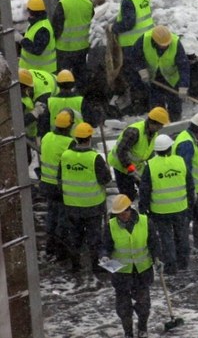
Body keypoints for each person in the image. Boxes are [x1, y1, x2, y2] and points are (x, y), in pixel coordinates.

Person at [100, 194, 159, 338]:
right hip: (121, 273)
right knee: (123, 307)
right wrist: (104, 255)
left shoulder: (145, 222)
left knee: (143, 305)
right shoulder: (111, 226)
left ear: (130, 209)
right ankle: (128, 333)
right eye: (118, 213)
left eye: (124, 212)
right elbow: (104, 246)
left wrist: (157, 259)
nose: (122, 216)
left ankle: (142, 328)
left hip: (142, 271)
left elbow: (154, 243)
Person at [59, 122, 111, 274]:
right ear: (89, 138)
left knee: (75, 237)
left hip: (72, 206)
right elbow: (106, 179)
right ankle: (96, 266)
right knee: (94, 238)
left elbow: (59, 179)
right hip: (93, 206)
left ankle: (75, 266)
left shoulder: (66, 155)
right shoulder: (94, 158)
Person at [140, 134, 193, 275]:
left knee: (166, 238)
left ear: (156, 150)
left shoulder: (150, 166)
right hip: (180, 207)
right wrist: (190, 203)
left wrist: (143, 208)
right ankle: (183, 262)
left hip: (160, 210)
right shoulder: (180, 162)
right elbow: (190, 185)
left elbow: (144, 190)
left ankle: (171, 266)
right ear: (170, 147)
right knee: (182, 235)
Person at [110, 0, 155, 112]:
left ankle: (140, 106)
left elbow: (129, 23)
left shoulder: (128, 0)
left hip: (132, 45)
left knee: (135, 77)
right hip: (146, 40)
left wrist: (114, 27)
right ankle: (150, 103)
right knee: (145, 74)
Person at [108, 107, 169, 202]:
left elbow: (149, 152)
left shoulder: (153, 133)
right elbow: (121, 151)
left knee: (145, 187)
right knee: (127, 195)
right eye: (160, 126)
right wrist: (130, 168)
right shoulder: (134, 132)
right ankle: (128, 207)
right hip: (121, 165)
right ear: (153, 123)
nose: (161, 128)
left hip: (137, 166)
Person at [38, 110, 75, 262]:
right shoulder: (69, 143)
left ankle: (50, 247)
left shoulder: (47, 136)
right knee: (63, 220)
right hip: (60, 187)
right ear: (69, 126)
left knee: (52, 216)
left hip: (46, 184)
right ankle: (61, 253)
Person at [174, 112, 198, 251]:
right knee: (186, 219)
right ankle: (182, 247)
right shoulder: (186, 143)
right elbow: (185, 170)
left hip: (197, 188)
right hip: (189, 190)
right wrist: (190, 191)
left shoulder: (193, 141)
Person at [140, 25, 190, 123]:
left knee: (175, 105)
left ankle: (175, 126)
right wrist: (142, 71)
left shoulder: (175, 42)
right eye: (162, 44)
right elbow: (135, 57)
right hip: (154, 78)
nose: (165, 46)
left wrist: (184, 86)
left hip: (171, 78)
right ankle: (159, 128)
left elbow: (183, 65)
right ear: (155, 41)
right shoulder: (144, 40)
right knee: (157, 107)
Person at [52, 0, 94, 84]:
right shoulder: (87, 2)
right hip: (82, 47)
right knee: (80, 75)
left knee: (63, 77)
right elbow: (91, 16)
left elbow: (56, 27)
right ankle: (80, 96)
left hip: (65, 49)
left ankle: (66, 97)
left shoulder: (63, 4)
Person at [20, 0, 57, 74]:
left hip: (42, 73)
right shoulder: (35, 23)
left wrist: (22, 41)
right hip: (34, 71)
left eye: (28, 10)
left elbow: (37, 50)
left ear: (32, 12)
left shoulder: (43, 29)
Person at [19, 68, 57, 142]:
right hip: (51, 80)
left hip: (57, 95)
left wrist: (39, 136)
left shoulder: (42, 96)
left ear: (27, 88)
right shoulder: (25, 76)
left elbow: (44, 118)